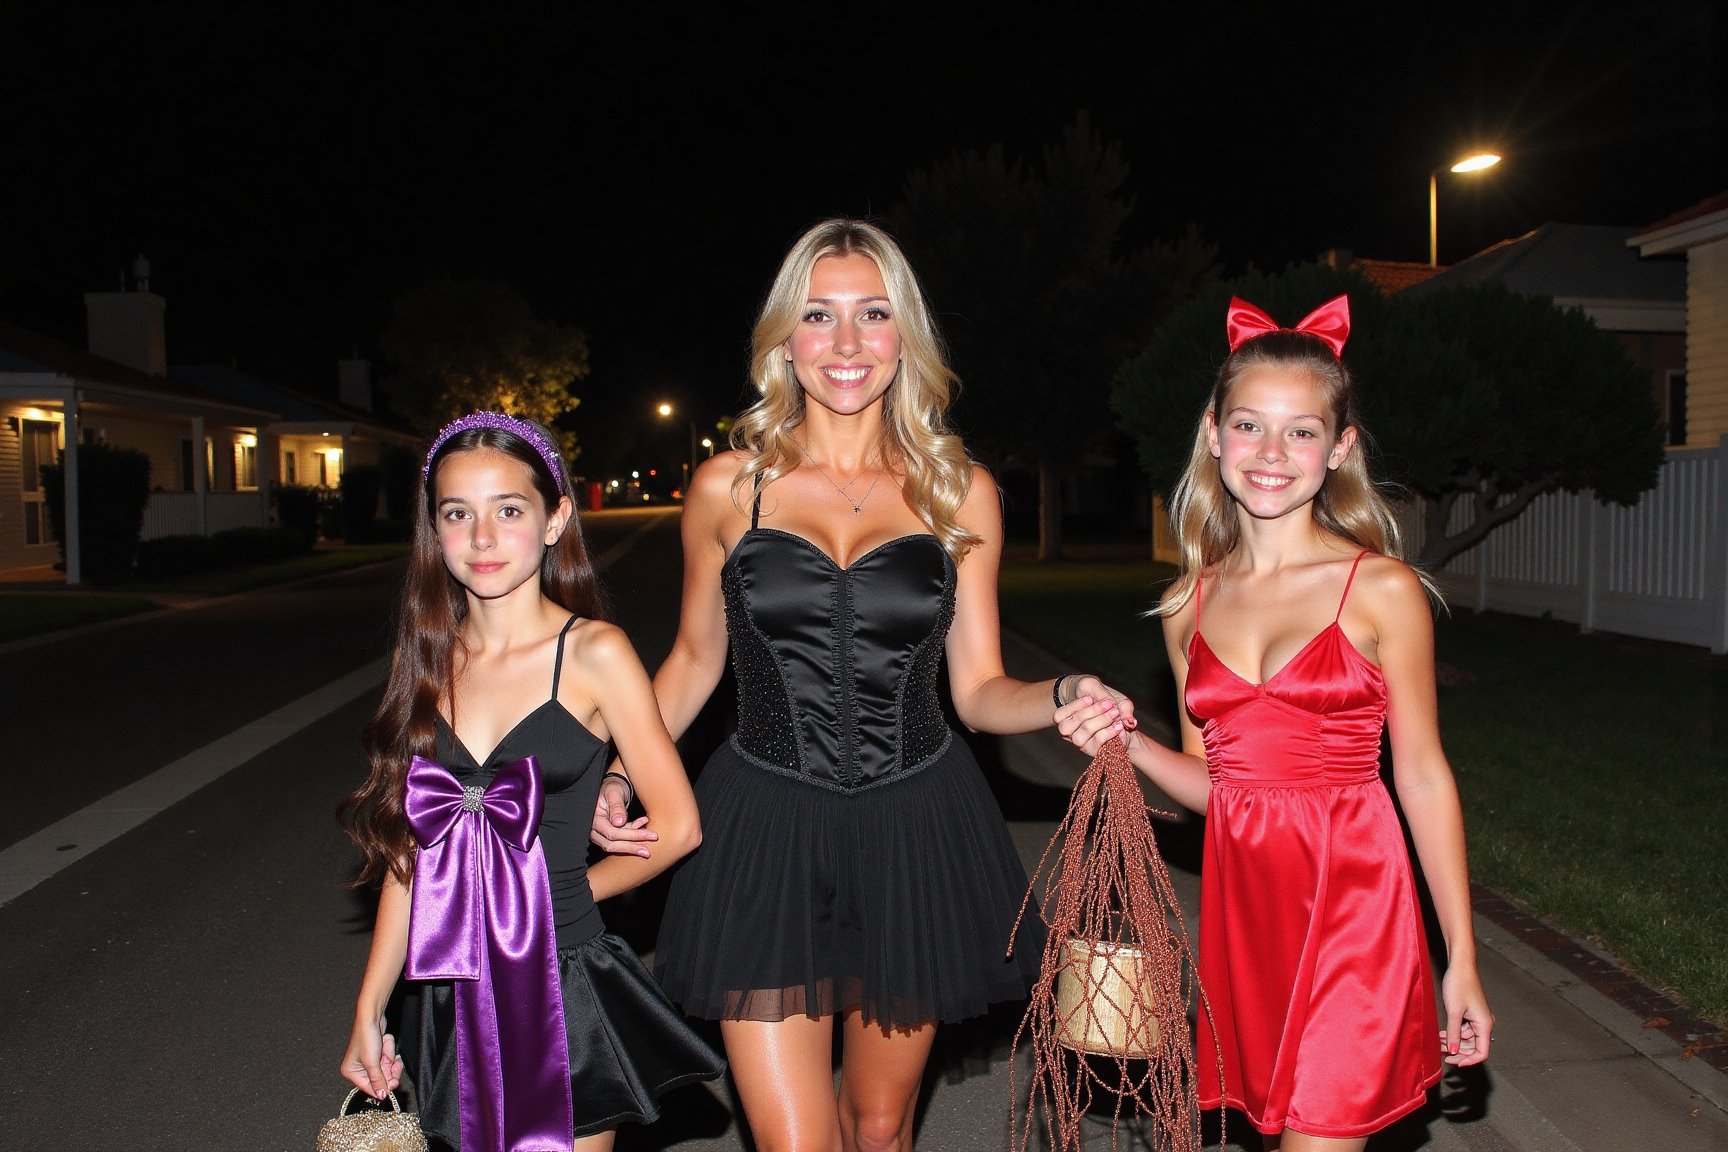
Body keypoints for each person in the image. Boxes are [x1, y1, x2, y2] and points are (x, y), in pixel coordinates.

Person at [591, 216, 1133, 1152]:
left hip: (912, 827)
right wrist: (614, 771)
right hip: (765, 821)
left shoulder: (958, 489)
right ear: (784, 341)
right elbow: (690, 661)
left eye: (872, 314)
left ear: (904, 336)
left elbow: (978, 691)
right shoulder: (730, 486)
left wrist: (1062, 691)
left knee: (878, 1131)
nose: (846, 344)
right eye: (819, 316)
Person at [1059, 294, 1494, 1151]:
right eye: (1250, 425)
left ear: (1339, 451)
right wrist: (1128, 741)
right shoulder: (1189, 602)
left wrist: (1463, 959)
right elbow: (1216, 792)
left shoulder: (1381, 589)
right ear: (1213, 434)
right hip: (1246, 917)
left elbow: (1422, 776)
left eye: (1302, 432)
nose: (1271, 453)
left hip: (1355, 909)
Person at [336, 411, 724, 1152]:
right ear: (435, 529)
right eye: (458, 514)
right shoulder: (427, 659)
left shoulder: (595, 654)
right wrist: (370, 1005)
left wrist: (559, 894)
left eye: (508, 510)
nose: (482, 538)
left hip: (561, 979)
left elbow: (680, 827)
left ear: (555, 520)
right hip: (449, 989)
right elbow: (410, 858)